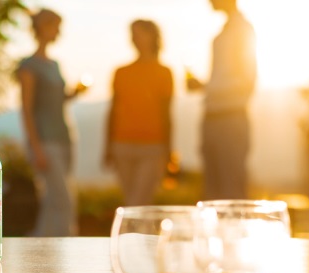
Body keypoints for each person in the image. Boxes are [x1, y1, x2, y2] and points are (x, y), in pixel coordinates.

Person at [16, 9, 86, 237]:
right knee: (64, 201)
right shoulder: (28, 67)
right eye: (55, 25)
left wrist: (74, 93)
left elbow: (57, 100)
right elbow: (27, 109)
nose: (58, 31)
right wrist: (36, 148)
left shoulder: (54, 64)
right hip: (44, 142)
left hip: (64, 138)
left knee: (52, 202)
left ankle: (42, 256)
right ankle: (66, 248)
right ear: (43, 27)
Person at [186, 0, 257, 200]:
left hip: (230, 118)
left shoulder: (242, 30)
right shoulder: (227, 31)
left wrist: (205, 86)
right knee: (212, 190)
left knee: (231, 190)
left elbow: (247, 79)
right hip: (213, 116)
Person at [105, 20, 174, 206]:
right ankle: (134, 235)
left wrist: (168, 151)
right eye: (132, 34)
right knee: (132, 202)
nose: (134, 38)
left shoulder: (164, 72)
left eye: (139, 33)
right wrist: (107, 146)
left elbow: (167, 114)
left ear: (152, 36)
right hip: (122, 145)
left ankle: (132, 234)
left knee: (138, 203)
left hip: (153, 147)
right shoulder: (121, 72)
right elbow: (112, 111)